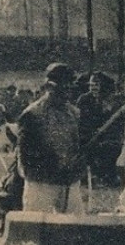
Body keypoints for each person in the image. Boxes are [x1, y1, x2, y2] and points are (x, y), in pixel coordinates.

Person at [16, 63, 85, 214]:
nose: (67, 92)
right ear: (50, 87)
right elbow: (25, 156)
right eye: (63, 87)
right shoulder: (32, 114)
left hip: (69, 182)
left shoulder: (75, 113)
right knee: (36, 229)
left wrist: (77, 164)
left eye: (69, 87)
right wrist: (55, 165)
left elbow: (78, 145)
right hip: (41, 183)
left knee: (76, 228)